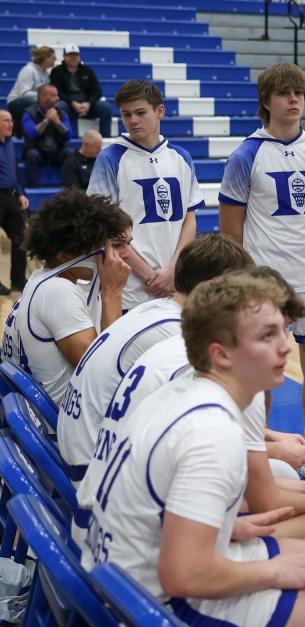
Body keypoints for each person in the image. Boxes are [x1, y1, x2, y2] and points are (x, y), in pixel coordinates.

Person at [77, 273, 305, 627]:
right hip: (151, 612)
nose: (285, 347)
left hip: (116, 574)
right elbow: (184, 576)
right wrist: (275, 570)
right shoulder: (212, 433)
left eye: (284, 331)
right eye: (267, 336)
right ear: (221, 353)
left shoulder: (184, 391)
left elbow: (155, 508)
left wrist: (227, 527)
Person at [219, 63, 305, 481]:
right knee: (263, 372)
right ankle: (261, 454)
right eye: (285, 93)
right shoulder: (246, 155)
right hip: (265, 283)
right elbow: (230, 229)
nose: (294, 100)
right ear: (266, 101)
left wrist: (304, 247)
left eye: (299, 93)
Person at [57, 233, 252, 484]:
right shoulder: (177, 335)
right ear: (216, 287)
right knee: (271, 472)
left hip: (81, 452)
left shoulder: (154, 309)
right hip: (97, 473)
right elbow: (196, 428)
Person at [1, 189, 130, 403]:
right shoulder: (58, 293)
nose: (117, 257)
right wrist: (113, 291)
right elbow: (102, 373)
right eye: (109, 248)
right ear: (65, 255)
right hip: (59, 427)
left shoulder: (40, 279)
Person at [86, 80, 201, 312]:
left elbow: (190, 219)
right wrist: (151, 277)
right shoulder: (110, 159)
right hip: (129, 287)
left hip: (173, 282)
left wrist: (171, 271)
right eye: (126, 114)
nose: (132, 121)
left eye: (140, 113)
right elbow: (107, 229)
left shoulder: (181, 157)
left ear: (160, 111)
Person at [49, 45, 112, 138]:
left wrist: (88, 104)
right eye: (70, 55)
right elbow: (57, 92)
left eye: (76, 55)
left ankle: (106, 139)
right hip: (68, 105)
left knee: (105, 107)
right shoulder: (56, 71)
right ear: (64, 57)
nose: (73, 58)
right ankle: (64, 137)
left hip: (86, 106)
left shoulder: (87, 70)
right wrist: (72, 103)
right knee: (60, 106)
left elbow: (97, 91)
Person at [22, 84, 73, 188]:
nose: (58, 98)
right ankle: (33, 189)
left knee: (70, 152)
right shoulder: (28, 113)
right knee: (32, 155)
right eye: (54, 95)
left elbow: (69, 136)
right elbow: (31, 133)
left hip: (56, 151)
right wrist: (47, 120)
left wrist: (57, 122)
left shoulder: (62, 114)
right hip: (37, 150)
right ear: (43, 97)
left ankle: (69, 190)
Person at [0, 109, 28, 295]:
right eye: (6, 121)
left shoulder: (10, 144)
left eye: (11, 120)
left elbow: (14, 173)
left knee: (20, 239)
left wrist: (21, 193)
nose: (11, 124)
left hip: (11, 196)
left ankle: (18, 280)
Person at [6, 46, 58, 137]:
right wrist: (42, 97)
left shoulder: (46, 74)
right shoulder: (28, 70)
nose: (55, 59)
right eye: (52, 57)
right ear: (44, 58)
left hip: (35, 99)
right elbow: (24, 93)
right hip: (17, 101)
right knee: (35, 101)